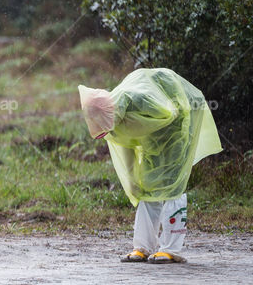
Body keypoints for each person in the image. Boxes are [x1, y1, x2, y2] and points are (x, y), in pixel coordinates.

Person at [78, 68, 221, 264]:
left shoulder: (138, 100)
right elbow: (126, 145)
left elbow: (171, 113)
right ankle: (143, 246)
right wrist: (132, 180)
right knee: (147, 187)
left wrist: (148, 132)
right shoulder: (114, 116)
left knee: (172, 186)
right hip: (153, 141)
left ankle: (171, 249)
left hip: (177, 130)